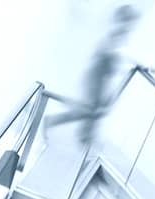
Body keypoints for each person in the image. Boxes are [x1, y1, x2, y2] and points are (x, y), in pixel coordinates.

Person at [46, 5, 138, 149]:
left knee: (94, 111)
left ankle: (84, 139)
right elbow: (106, 56)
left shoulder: (118, 33)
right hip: (96, 75)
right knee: (88, 110)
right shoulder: (115, 31)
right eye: (130, 19)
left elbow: (114, 58)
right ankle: (54, 122)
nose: (131, 23)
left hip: (101, 76)